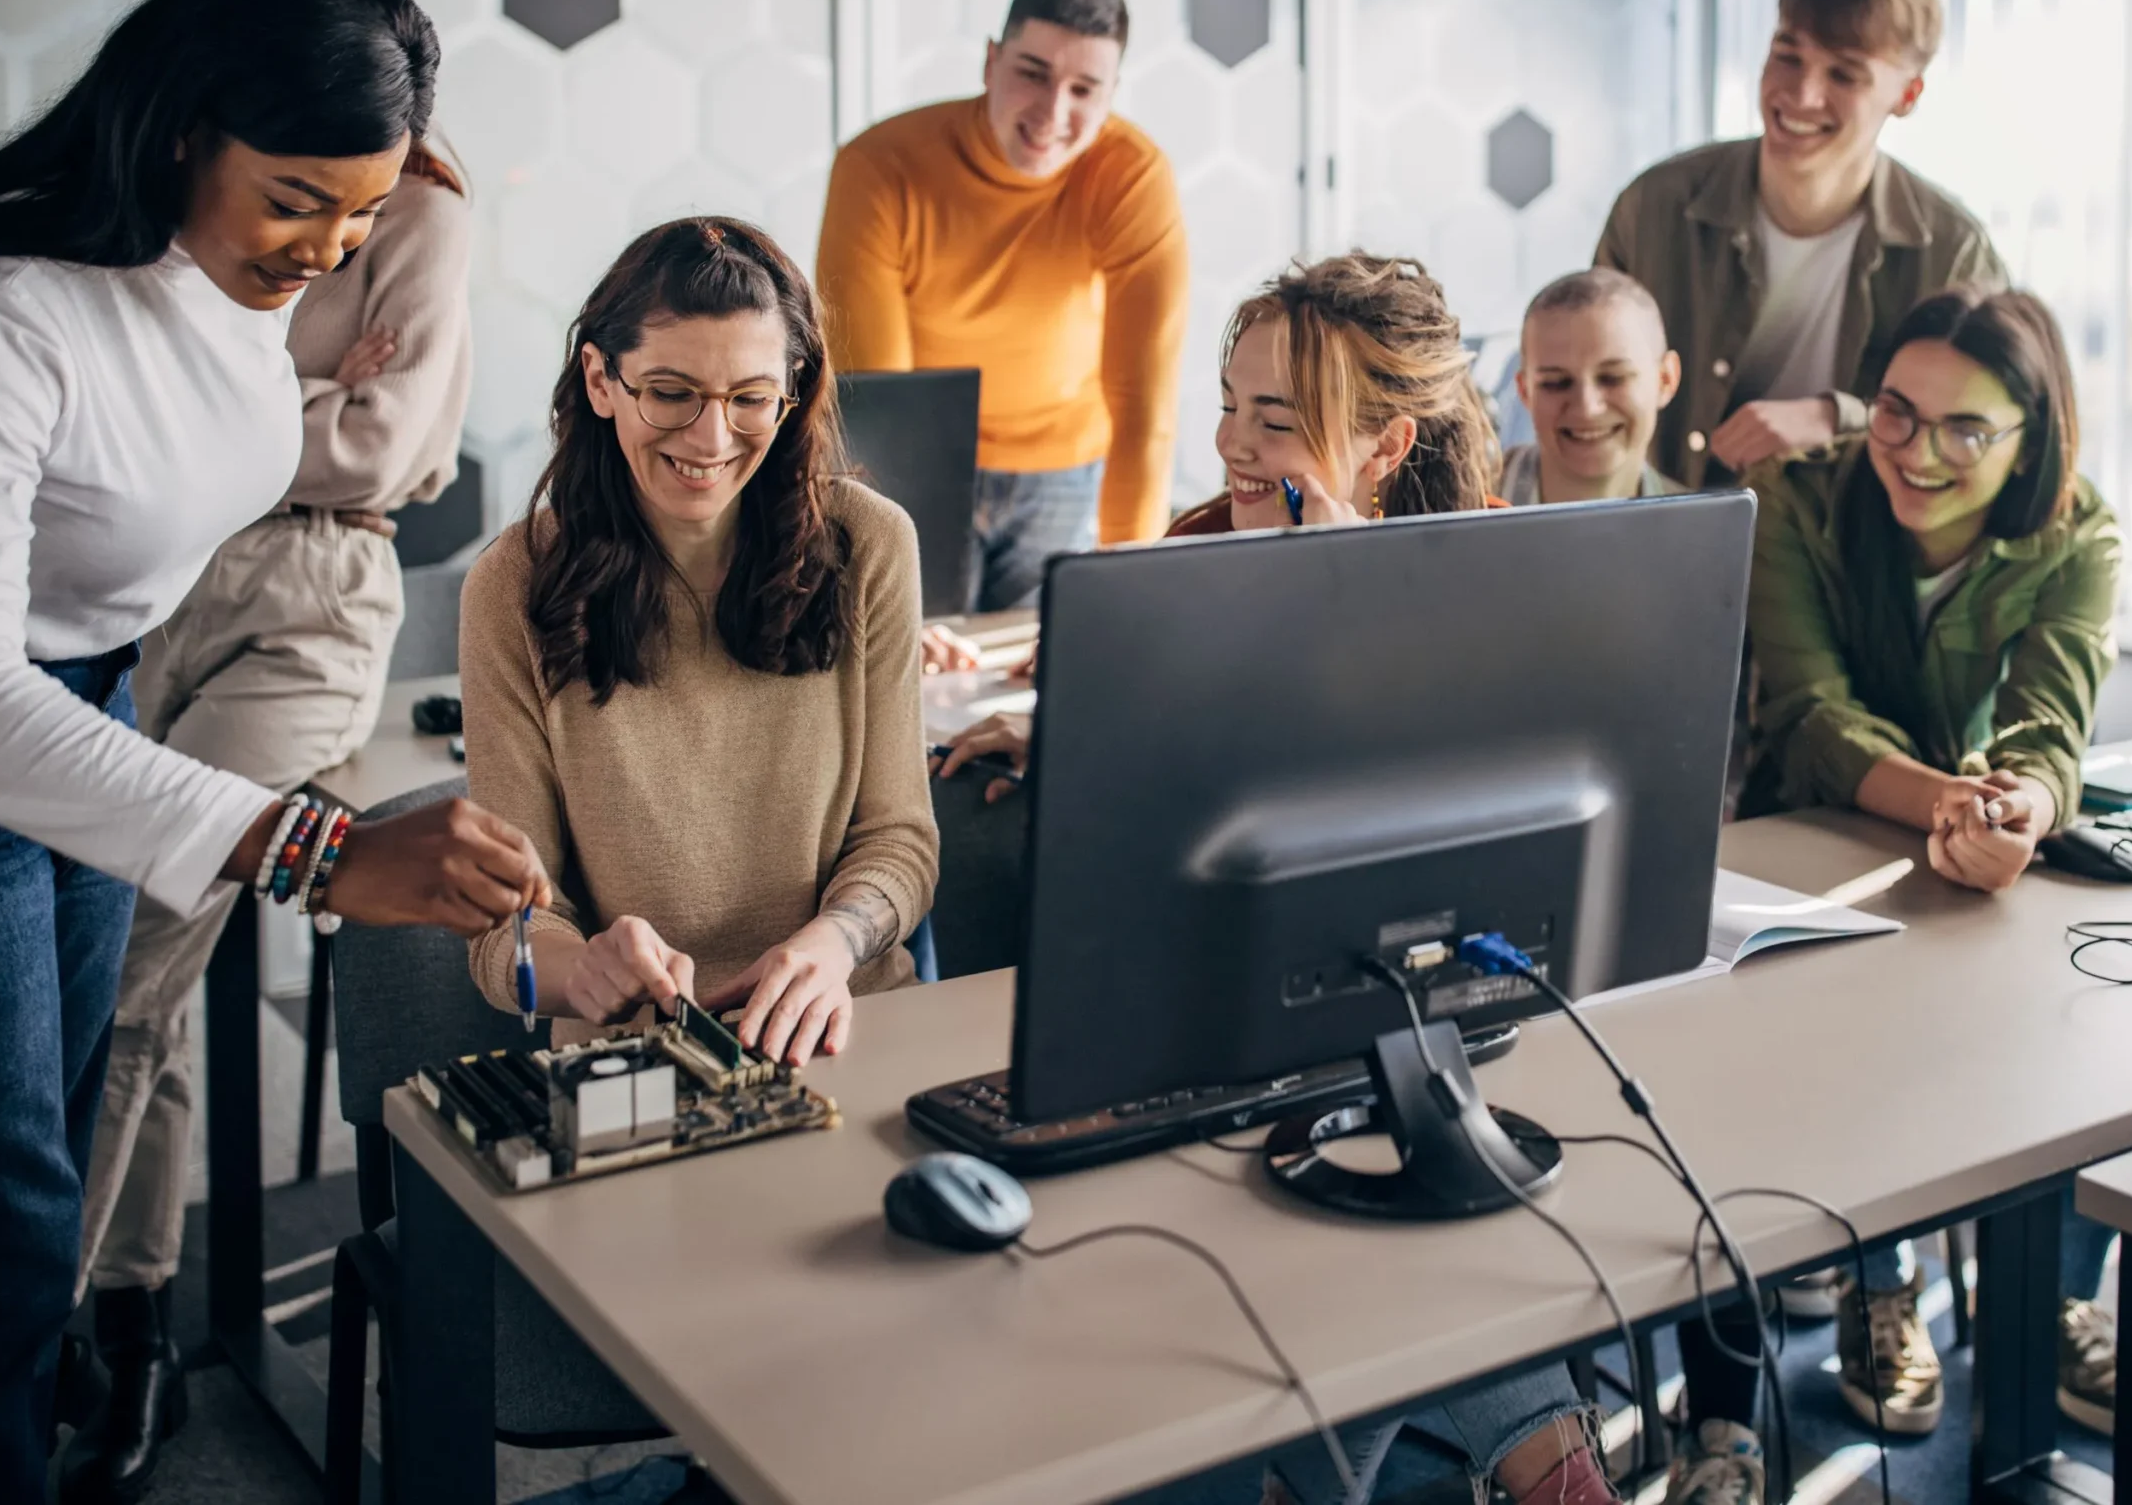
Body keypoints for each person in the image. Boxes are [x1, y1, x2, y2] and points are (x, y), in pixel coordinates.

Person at [0, 0, 549, 1505]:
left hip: (99, 692)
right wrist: (308, 845)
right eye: (298, 199)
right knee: (8, 1216)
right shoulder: (6, 313)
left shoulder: (214, 271)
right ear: (178, 126)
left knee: (56, 1140)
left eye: (360, 217)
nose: (328, 251)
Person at [940, 254, 1634, 1505]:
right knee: (1388, 1168)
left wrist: (1340, 585)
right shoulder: (1201, 545)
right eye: (1229, 403)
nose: (1232, 443)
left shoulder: (1479, 582)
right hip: (1211, 1014)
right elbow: (1175, 785)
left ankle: (1353, 1479)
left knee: (1385, 1148)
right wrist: (1072, 721)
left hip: (1417, 1010)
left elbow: (1439, 826)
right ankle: (1537, 1449)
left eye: (1275, 417)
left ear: (1383, 447)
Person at [59, 0, 478, 1502]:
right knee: (121, 981)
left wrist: (253, 414)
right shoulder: (170, 192)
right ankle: (135, 1319)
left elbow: (386, 454)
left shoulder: (417, 212)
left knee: (136, 949)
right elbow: (131, 412)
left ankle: (33, 1349)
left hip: (309, 599)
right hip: (145, 578)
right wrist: (306, 394)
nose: (315, 233)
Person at [1737, 287, 2123, 1442]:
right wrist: (1957, 802)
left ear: (2030, 436)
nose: (1917, 452)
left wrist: (2019, 805)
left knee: (2090, 999)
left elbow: (2050, 733)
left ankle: (2047, 1296)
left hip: (1975, 846)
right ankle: (1878, 1288)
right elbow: (1810, 714)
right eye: (1897, 415)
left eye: (1966, 429)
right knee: (1852, 1034)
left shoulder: (2078, 534)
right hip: (1813, 835)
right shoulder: (1799, 501)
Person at [460, 217, 935, 1072]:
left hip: (848, 1032)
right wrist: (581, 971)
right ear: (602, 380)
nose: (713, 440)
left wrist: (832, 943)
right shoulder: (511, 586)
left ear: (792, 389)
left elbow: (900, 840)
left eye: (750, 398)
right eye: (672, 394)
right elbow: (508, 935)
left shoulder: (871, 544)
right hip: (638, 1065)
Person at [818, 0, 1189, 619]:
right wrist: (886, 573)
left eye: (1084, 89)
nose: (1053, 113)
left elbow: (1143, 403)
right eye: (1033, 73)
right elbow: (879, 399)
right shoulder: (880, 167)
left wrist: (1131, 584)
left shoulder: (1133, 177)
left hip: (1066, 474)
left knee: (1044, 681)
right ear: (991, 61)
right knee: (912, 665)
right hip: (922, 473)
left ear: (1112, 93)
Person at [1594, 0, 2004, 488]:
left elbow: (1981, 430)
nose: (1803, 94)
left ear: (1907, 95)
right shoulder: (1655, 207)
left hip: (1849, 554)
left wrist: (1837, 417)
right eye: (1788, 56)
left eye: (1844, 75)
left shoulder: (1954, 251)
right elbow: (1589, 386)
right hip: (1666, 535)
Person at [1500, 267, 1684, 505]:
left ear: (1665, 379)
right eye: (1556, 383)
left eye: (1613, 377)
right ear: (1524, 391)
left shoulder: (1709, 532)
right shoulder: (1453, 510)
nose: (1587, 408)